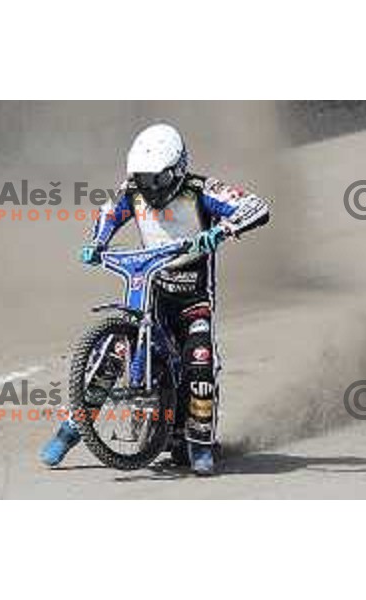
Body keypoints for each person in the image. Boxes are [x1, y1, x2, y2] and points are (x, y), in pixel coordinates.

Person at [40, 123, 271, 475]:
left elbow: (256, 206)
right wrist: (97, 243)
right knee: (112, 354)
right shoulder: (133, 190)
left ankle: (199, 444)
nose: (147, 188)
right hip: (150, 293)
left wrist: (221, 231)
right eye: (141, 179)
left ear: (177, 170)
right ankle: (71, 430)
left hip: (193, 300)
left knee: (200, 360)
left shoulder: (202, 190)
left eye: (156, 180)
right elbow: (110, 213)